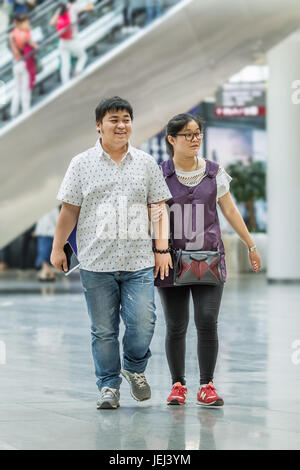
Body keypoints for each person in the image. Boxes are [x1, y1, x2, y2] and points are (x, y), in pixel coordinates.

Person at [50, 96, 172, 409]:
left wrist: (162, 248)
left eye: (126, 119)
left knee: (144, 323)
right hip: (96, 261)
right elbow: (69, 210)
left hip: (139, 260)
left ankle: (133, 367)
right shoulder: (81, 164)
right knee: (103, 330)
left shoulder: (146, 163)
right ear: (99, 125)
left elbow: (158, 207)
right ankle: (108, 386)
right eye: (114, 119)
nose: (121, 125)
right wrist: (57, 246)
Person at [155, 113, 261, 407]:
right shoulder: (159, 174)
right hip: (170, 260)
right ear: (172, 140)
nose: (195, 139)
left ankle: (207, 386)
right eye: (187, 134)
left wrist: (250, 245)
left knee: (207, 321)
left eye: (198, 133)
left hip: (209, 259)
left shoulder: (215, 173)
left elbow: (230, 211)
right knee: (176, 325)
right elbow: (152, 215)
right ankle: (178, 385)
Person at [50, 0, 93, 84]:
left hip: (62, 40)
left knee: (65, 63)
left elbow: (52, 23)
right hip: (72, 39)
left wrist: (62, 27)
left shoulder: (61, 8)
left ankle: (65, 83)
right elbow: (90, 7)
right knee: (82, 56)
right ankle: (77, 71)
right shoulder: (74, 7)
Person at [9, 13, 38, 117]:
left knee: (17, 88)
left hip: (15, 63)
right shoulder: (25, 34)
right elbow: (35, 46)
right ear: (21, 23)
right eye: (26, 22)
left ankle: (14, 111)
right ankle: (26, 109)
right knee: (25, 88)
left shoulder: (11, 34)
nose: (28, 24)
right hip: (24, 62)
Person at [34, 207, 59, 281]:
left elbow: (57, 221)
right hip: (43, 235)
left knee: (45, 254)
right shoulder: (42, 208)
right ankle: (50, 274)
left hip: (49, 235)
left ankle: (45, 274)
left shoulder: (53, 209)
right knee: (45, 254)